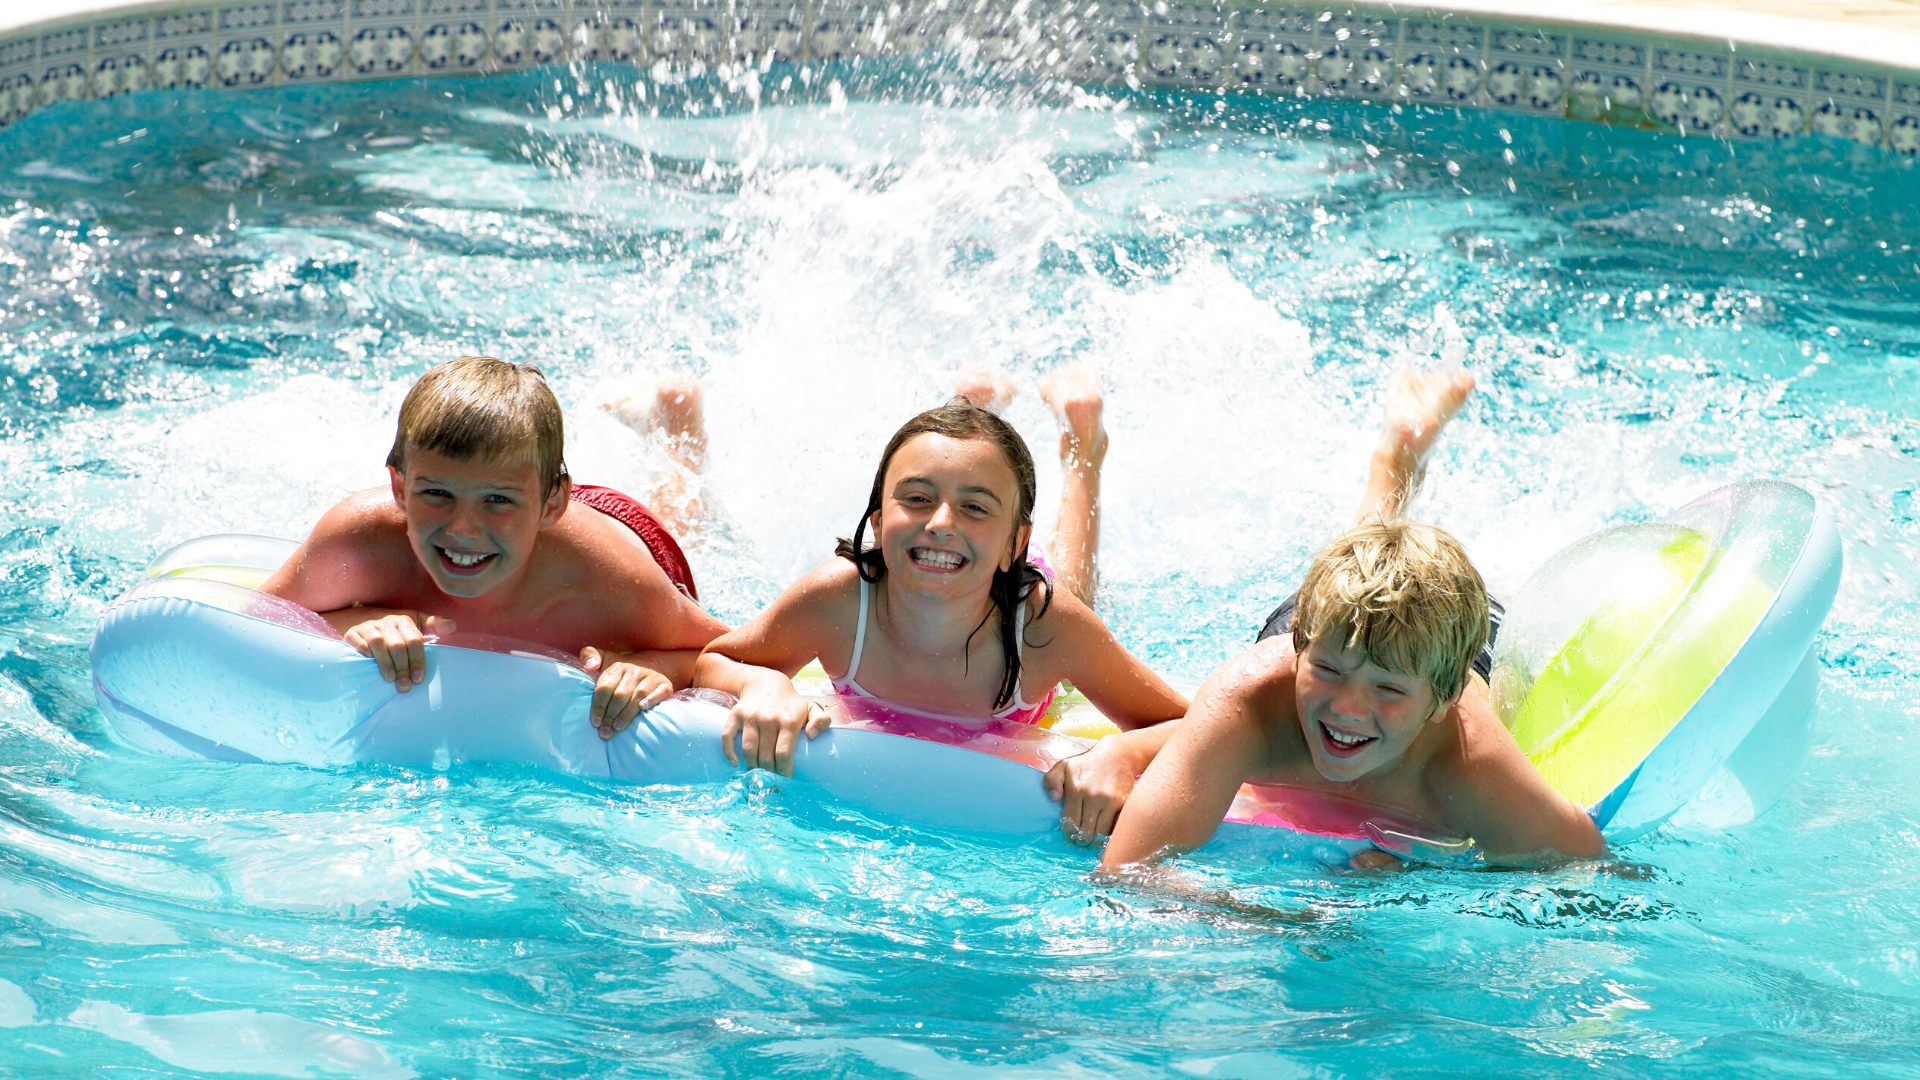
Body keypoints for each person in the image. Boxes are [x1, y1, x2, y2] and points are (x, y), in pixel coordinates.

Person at [1094, 371, 1606, 870]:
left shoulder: (1468, 764)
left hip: (1456, 647)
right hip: (1329, 631)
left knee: (1403, 618)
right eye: (1328, 673)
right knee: (1358, 581)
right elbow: (1128, 870)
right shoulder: (1251, 697)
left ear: (1442, 699)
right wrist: (1287, 924)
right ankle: (1394, 462)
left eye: (1388, 691)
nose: (1346, 710)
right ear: (1299, 651)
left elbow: (1593, 871)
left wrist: (1427, 873)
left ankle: (1396, 461)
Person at [689, 373, 1188, 779]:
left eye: (973, 506)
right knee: (963, 457)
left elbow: (1188, 728)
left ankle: (1083, 445)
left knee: (1075, 588)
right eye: (917, 498)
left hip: (1012, 590)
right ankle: (976, 404)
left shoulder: (1041, 626)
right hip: (975, 558)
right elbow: (716, 662)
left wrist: (1120, 756)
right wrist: (763, 685)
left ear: (1015, 543)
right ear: (879, 522)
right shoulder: (840, 599)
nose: (941, 522)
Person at [259, 356, 727, 739]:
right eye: (436, 494)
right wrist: (353, 620)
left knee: (681, 524)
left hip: (616, 533)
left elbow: (731, 654)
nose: (463, 529)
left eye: (494, 502)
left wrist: (657, 663)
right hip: (530, 501)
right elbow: (256, 616)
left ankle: (677, 422)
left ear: (553, 502)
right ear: (399, 487)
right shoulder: (358, 542)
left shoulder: (607, 580)